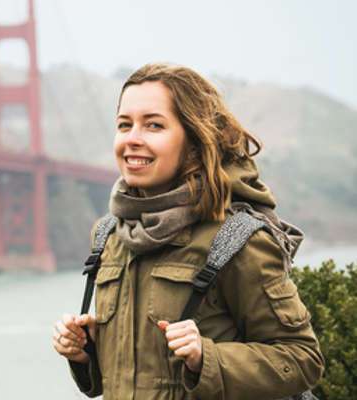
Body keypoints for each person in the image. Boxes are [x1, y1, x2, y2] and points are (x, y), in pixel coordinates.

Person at [52, 63, 324, 399]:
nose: (133, 138)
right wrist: (86, 352)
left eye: (154, 125)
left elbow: (302, 359)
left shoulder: (237, 239)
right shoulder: (109, 234)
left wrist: (205, 358)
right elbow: (140, 374)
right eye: (124, 125)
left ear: (194, 140)